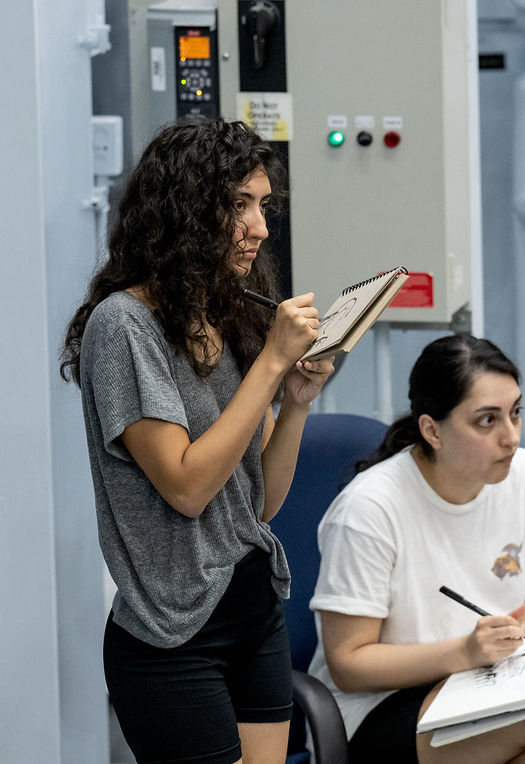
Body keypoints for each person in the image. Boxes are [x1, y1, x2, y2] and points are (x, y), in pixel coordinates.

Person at [60, 115, 334, 764]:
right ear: (187, 209)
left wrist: (293, 405)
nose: (261, 229)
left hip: (251, 610)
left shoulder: (231, 310)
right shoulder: (122, 326)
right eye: (239, 205)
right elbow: (185, 486)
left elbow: (257, 505)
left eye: (264, 207)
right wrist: (269, 365)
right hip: (170, 633)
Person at [307, 333, 525, 764]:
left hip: (485, 687)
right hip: (376, 712)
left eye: (515, 413)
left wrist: (519, 635)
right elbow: (349, 665)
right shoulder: (368, 510)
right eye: (487, 420)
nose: (511, 438)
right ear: (432, 430)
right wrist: (465, 651)